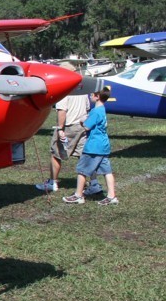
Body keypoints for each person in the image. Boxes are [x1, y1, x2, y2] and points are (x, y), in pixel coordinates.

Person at [35, 61, 99, 194]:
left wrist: (60, 128)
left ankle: (53, 182)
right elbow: (87, 108)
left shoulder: (64, 89)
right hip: (82, 126)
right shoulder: (82, 89)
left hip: (68, 127)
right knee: (85, 156)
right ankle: (94, 183)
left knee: (56, 154)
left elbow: (62, 111)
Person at [63, 87, 118, 205]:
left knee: (82, 170)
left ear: (97, 97)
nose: (90, 96)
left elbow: (87, 127)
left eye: (92, 94)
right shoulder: (102, 109)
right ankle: (112, 196)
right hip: (103, 145)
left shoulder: (96, 111)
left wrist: (83, 121)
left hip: (94, 146)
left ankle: (78, 195)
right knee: (107, 171)